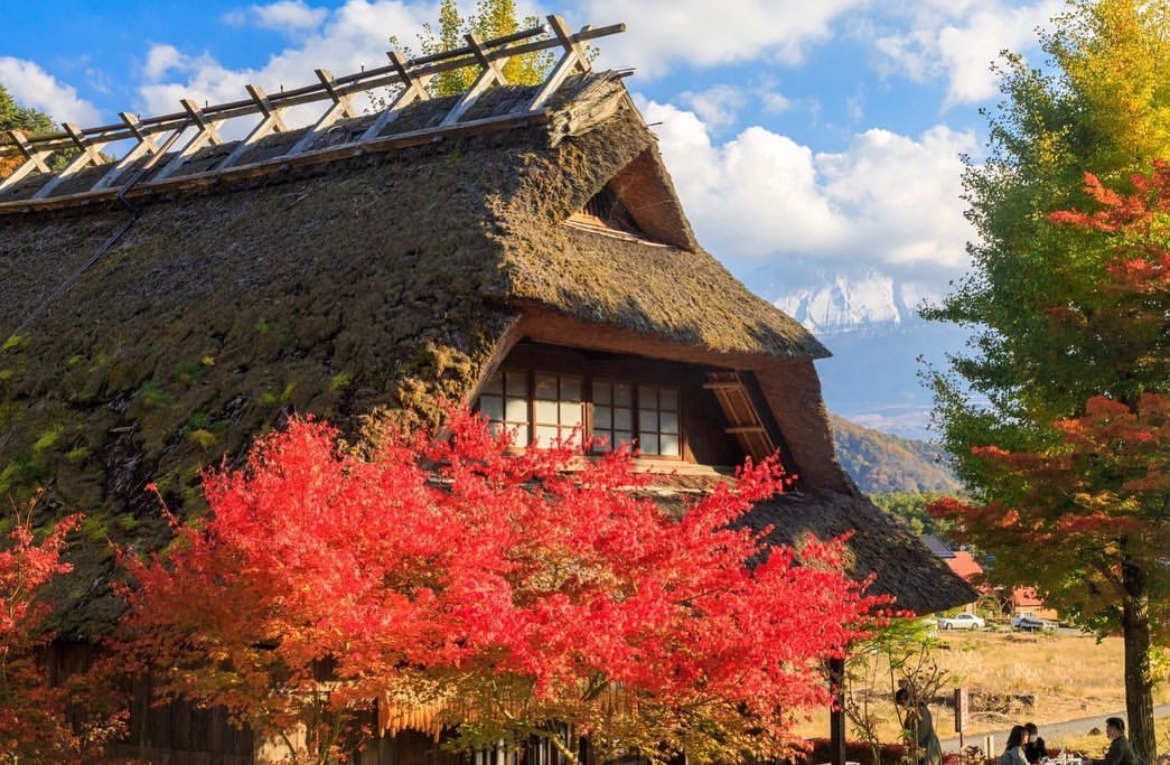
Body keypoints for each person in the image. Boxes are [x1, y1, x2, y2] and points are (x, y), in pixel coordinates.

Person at [896, 688, 942, 765]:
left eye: (902, 703)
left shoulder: (922, 710)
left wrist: (911, 742)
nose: (902, 706)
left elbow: (922, 733)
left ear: (908, 699)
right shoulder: (910, 714)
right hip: (918, 751)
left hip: (929, 748)